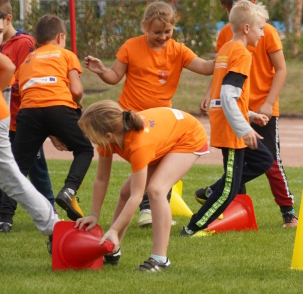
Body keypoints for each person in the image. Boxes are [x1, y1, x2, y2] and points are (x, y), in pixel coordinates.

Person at [84, 1, 214, 227]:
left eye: (168, 32)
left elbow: (205, 68)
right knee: (144, 171)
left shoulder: (178, 50)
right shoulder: (131, 46)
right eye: (157, 32)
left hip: (159, 122)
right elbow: (115, 76)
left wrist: (229, 54)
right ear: (144, 26)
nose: (163, 36)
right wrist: (103, 71)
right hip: (129, 119)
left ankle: (149, 210)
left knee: (156, 172)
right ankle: (144, 212)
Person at [198, 0, 296, 227]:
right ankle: (237, 213)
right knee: (234, 161)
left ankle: (287, 211)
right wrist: (210, 93)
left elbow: (281, 69)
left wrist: (268, 103)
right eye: (228, 11)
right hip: (234, 110)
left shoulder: (267, 32)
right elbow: (221, 68)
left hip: (262, 110)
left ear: (252, 5)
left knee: (271, 162)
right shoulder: (225, 35)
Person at [76, 101, 209, 272]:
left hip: (188, 136)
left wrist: (114, 228)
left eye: (88, 133)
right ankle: (112, 248)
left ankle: (160, 259)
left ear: (108, 135)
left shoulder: (138, 144)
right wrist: (94, 215)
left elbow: (137, 196)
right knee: (124, 192)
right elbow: (101, 179)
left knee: (156, 190)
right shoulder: (109, 142)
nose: (87, 137)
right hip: (166, 136)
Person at [180, 0, 273, 235]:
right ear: (247, 28)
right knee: (230, 190)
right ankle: (193, 226)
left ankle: (212, 190)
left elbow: (226, 97)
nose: (263, 34)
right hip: (232, 131)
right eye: (261, 28)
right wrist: (245, 129)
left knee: (264, 160)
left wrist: (250, 115)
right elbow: (227, 95)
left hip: (232, 122)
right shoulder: (241, 54)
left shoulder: (226, 49)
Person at [2, 14, 93, 226]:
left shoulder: (26, 61)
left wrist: (50, 131)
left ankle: (4, 218)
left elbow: (30, 96)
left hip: (29, 112)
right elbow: (77, 91)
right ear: (61, 37)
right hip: (60, 108)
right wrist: (75, 105)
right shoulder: (66, 54)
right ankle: (69, 190)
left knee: (18, 166)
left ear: (35, 41)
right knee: (85, 149)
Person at [0, 6, 58, 247]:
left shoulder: (18, 43)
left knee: (10, 179)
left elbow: (8, 67)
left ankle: (54, 226)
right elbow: (7, 66)